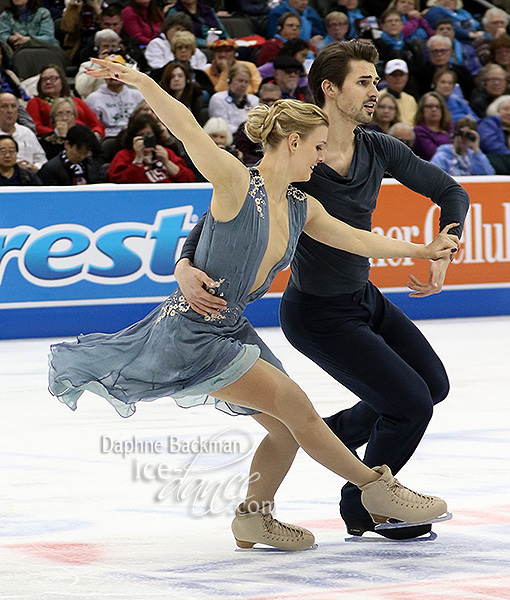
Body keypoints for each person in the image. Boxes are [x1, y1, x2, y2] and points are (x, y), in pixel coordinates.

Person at [49, 56, 457, 551]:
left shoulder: (302, 205)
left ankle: (253, 519)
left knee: (287, 430)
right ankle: (377, 490)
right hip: (195, 334)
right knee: (299, 410)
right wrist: (140, 81)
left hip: (231, 329)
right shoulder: (237, 183)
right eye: (316, 148)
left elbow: (357, 240)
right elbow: (185, 125)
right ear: (292, 142)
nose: (320, 158)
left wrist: (423, 249)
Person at [176, 40, 469, 540]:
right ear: (331, 89)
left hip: (363, 298)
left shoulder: (376, 148)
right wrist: (184, 265)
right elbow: (224, 213)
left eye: (376, 82)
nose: (375, 90)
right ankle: (370, 503)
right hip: (318, 314)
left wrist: (448, 241)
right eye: (364, 81)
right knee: (410, 405)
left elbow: (452, 192)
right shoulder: (297, 154)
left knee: (431, 387)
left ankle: (318, 433)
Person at [107, 112, 196, 183]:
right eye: (141, 135)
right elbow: (121, 184)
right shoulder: (124, 155)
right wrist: (138, 159)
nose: (146, 139)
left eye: (149, 134)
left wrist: (167, 162)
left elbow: (190, 180)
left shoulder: (166, 153)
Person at [26, 64, 105, 138]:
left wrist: (95, 134)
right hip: (55, 139)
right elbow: (36, 127)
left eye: (53, 78)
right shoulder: (35, 102)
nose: (48, 82)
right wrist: (60, 133)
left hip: (84, 139)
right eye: (44, 79)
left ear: (62, 81)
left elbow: (96, 124)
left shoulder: (77, 101)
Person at [85, 55, 144, 138]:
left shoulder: (138, 95)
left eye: (118, 70)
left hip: (135, 135)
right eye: (109, 70)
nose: (114, 74)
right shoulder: (93, 99)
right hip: (108, 138)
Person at [37, 124, 102, 185]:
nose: (82, 156)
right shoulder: (50, 169)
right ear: (67, 144)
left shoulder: (91, 166)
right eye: (79, 151)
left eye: (85, 153)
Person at [0, 91, 46, 172]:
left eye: (13, 106)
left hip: (27, 180)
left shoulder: (27, 133)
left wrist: (33, 167)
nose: (10, 111)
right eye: (4, 106)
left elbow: (42, 161)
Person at [430, 117, 495, 174]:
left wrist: (476, 149)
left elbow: (489, 175)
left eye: (467, 135)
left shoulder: (474, 156)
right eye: (460, 134)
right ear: (454, 134)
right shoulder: (443, 156)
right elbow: (434, 177)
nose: (462, 139)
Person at [208, 64, 259, 134]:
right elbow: (222, 126)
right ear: (230, 80)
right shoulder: (218, 98)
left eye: (246, 82)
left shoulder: (254, 100)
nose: (243, 85)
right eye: (240, 81)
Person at [413, 90, 453, 161]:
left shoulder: (450, 127)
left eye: (437, 106)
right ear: (422, 110)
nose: (434, 109)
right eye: (429, 106)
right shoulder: (419, 131)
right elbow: (434, 154)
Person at [382, 58, 417, 127]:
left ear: (407, 77)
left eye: (401, 75)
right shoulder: (378, 97)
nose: (398, 78)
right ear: (386, 77)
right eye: (394, 75)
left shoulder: (411, 99)